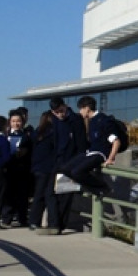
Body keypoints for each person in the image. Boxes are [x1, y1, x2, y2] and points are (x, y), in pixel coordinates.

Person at [59, 95, 120, 196]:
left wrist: (110, 158)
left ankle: (102, 187)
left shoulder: (104, 120)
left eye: (81, 109)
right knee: (64, 168)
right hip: (90, 152)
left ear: (87, 108)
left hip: (100, 154)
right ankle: (93, 188)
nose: (80, 112)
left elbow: (116, 141)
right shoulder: (91, 122)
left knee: (76, 172)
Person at [50, 97, 87, 232]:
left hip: (71, 161)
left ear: (65, 106)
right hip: (57, 160)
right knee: (53, 194)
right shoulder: (55, 121)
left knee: (66, 195)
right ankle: (54, 223)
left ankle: (59, 225)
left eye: (61, 111)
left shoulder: (76, 120)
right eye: (56, 112)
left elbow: (81, 143)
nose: (60, 114)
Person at [28, 111, 58, 234]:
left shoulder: (37, 133)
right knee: (50, 195)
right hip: (50, 168)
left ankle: (34, 221)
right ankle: (53, 222)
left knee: (38, 195)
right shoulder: (54, 133)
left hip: (37, 168)